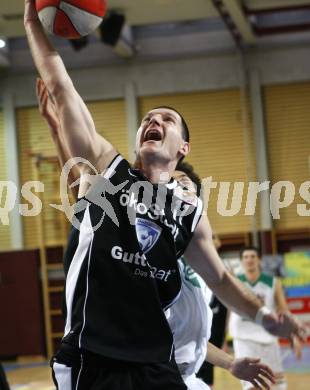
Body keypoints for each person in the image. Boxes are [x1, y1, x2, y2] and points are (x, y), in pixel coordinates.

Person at [26, 2, 306, 386]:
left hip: (157, 364)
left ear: (182, 149)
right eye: (147, 119)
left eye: (167, 119)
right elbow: (60, 86)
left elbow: (222, 280)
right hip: (94, 359)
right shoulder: (108, 173)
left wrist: (266, 317)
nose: (153, 121)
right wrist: (32, 24)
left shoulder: (188, 211)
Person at [37, 95, 275, 390]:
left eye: (188, 189)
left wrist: (229, 361)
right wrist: (57, 130)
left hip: (182, 374)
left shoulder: (201, 269)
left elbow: (197, 334)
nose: (182, 194)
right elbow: (83, 188)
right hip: (148, 369)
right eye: (178, 185)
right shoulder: (151, 262)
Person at [229, 246, 303, 390]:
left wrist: (292, 335)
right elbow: (229, 310)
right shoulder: (234, 281)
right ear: (241, 261)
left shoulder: (273, 282)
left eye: (253, 256)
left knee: (275, 384)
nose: (249, 260)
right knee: (252, 384)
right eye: (245, 257)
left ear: (260, 260)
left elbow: (283, 310)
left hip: (268, 337)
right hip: (243, 338)